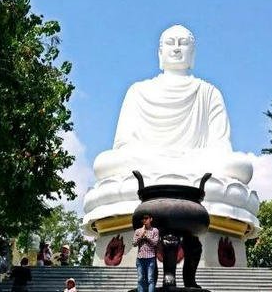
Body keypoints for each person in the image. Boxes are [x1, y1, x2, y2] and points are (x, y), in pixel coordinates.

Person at [92, 24, 253, 185]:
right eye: (170, 43)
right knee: (104, 163)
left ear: (192, 53)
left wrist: (188, 157)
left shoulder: (209, 93)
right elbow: (124, 145)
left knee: (240, 166)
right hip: (151, 161)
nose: (176, 49)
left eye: (183, 43)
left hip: (192, 161)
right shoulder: (137, 91)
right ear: (160, 52)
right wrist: (158, 155)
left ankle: (168, 174)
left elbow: (220, 146)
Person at [132, 214, 159, 292]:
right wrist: (141, 235)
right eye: (143, 219)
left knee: (150, 279)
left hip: (150, 258)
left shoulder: (155, 230)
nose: (144, 220)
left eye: (146, 218)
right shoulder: (138, 231)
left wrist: (146, 236)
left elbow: (155, 243)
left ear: (151, 219)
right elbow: (134, 243)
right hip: (140, 258)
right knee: (140, 279)